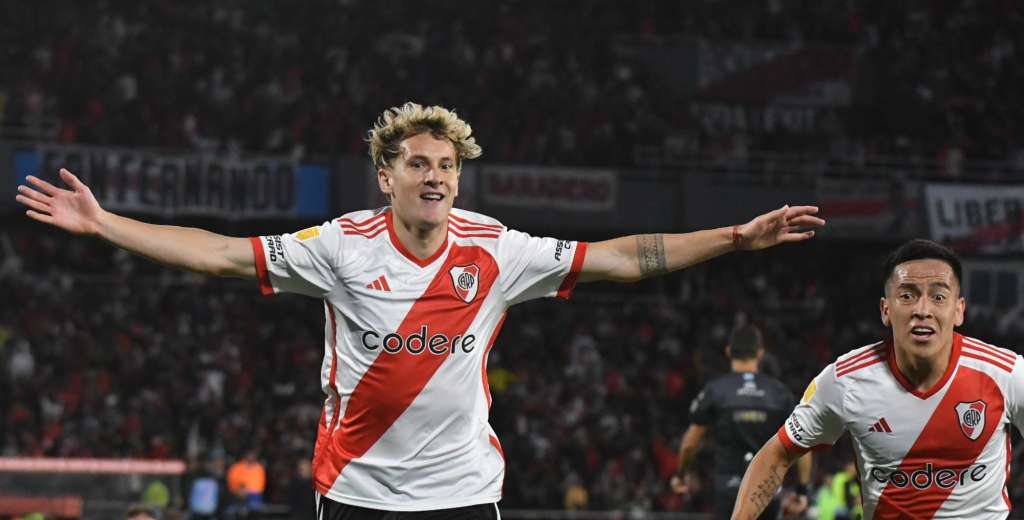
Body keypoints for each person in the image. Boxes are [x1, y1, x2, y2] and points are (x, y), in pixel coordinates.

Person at [15, 102, 824, 518]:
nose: (436, 176)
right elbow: (220, 253)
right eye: (419, 164)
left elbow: (622, 257)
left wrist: (735, 237)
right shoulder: (341, 246)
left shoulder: (496, 249)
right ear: (386, 176)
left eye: (447, 165)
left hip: (462, 494)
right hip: (358, 494)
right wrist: (106, 223)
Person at [733, 239, 1020, 519]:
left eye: (938, 297)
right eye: (907, 296)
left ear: (959, 310)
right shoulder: (845, 381)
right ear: (886, 310)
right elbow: (778, 453)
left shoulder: (1007, 374)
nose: (923, 310)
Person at [669, 324, 811, 519]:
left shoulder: (716, 391)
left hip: (729, 490)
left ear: (728, 352)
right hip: (767, 491)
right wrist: (802, 490)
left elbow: (691, 442)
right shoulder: (779, 394)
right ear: (760, 353)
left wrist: (681, 474)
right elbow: (802, 443)